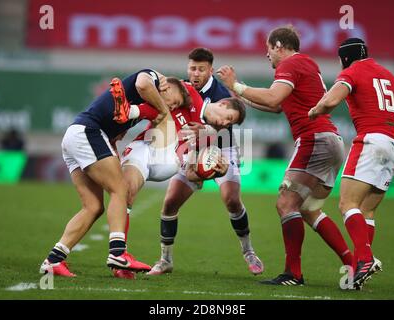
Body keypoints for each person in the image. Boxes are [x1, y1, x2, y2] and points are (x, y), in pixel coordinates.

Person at [218, 26, 354, 286]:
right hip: (330, 141)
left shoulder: (291, 64)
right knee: (309, 209)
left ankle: (293, 274)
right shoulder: (306, 64)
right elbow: (279, 106)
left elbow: (273, 97)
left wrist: (236, 84)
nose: (266, 54)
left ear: (279, 45)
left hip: (314, 140)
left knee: (285, 204)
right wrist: (241, 97)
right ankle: (352, 262)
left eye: (268, 48)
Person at [40, 69, 180, 277]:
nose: (171, 108)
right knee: (120, 189)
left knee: (93, 207)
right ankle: (118, 253)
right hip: (88, 133)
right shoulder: (152, 76)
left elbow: (116, 136)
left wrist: (142, 114)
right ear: (166, 87)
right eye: (173, 102)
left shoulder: (144, 109)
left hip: (75, 136)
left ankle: (53, 261)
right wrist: (163, 109)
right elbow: (143, 84)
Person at [308, 38, 394, 289]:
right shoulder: (387, 74)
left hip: (371, 141)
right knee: (366, 210)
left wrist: (315, 110)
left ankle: (366, 258)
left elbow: (331, 101)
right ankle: (360, 268)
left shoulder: (352, 71)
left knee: (347, 203)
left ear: (345, 58)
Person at [147, 48, 263, 276]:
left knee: (231, 200)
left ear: (210, 70)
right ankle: (165, 260)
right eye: (192, 68)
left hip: (222, 148)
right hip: (193, 149)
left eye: (201, 69)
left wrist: (207, 130)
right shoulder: (181, 89)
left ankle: (248, 251)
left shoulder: (221, 94)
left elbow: (223, 126)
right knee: (170, 202)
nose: (196, 73)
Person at [113, 80, 245, 278]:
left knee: (164, 117)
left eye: (230, 123)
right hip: (146, 148)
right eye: (228, 118)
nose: (226, 124)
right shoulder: (190, 96)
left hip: (167, 163)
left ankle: (130, 110)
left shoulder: (208, 139)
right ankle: (119, 259)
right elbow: (171, 88)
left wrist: (215, 172)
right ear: (223, 105)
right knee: (127, 193)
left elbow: (192, 174)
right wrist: (167, 90)